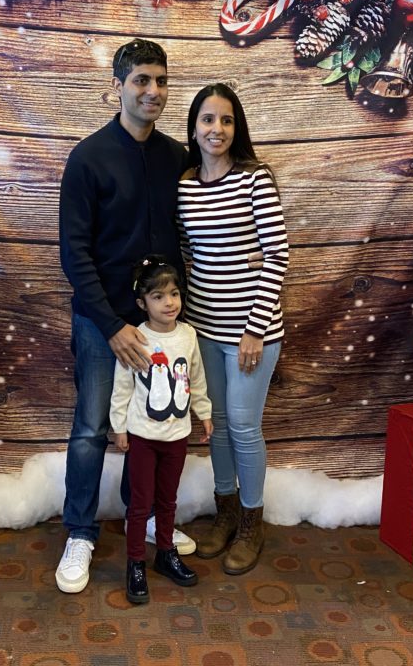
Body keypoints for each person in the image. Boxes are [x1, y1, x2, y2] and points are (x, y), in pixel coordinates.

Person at [56, 39, 194, 594]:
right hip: (101, 322)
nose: (152, 91)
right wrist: (112, 325)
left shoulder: (177, 157)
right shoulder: (87, 158)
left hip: (163, 324)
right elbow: (74, 251)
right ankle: (82, 533)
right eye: (141, 80)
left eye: (160, 80)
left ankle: (157, 523)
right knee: (92, 429)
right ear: (116, 86)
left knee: (160, 429)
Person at [177, 83, 289, 575]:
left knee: (244, 427)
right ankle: (224, 512)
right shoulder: (183, 185)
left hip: (251, 332)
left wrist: (254, 329)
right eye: (207, 119)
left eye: (225, 120)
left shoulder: (255, 180)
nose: (216, 129)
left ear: (236, 127)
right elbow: (186, 254)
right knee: (215, 426)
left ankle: (251, 521)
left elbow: (277, 256)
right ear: (194, 127)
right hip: (202, 327)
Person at [110, 256, 213, 603]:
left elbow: (195, 377)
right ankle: (135, 562)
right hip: (142, 437)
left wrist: (204, 411)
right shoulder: (136, 338)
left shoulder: (188, 335)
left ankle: (165, 554)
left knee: (168, 500)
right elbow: (123, 386)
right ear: (142, 302)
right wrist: (119, 427)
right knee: (141, 505)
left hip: (177, 436)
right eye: (158, 296)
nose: (169, 302)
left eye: (174, 294)